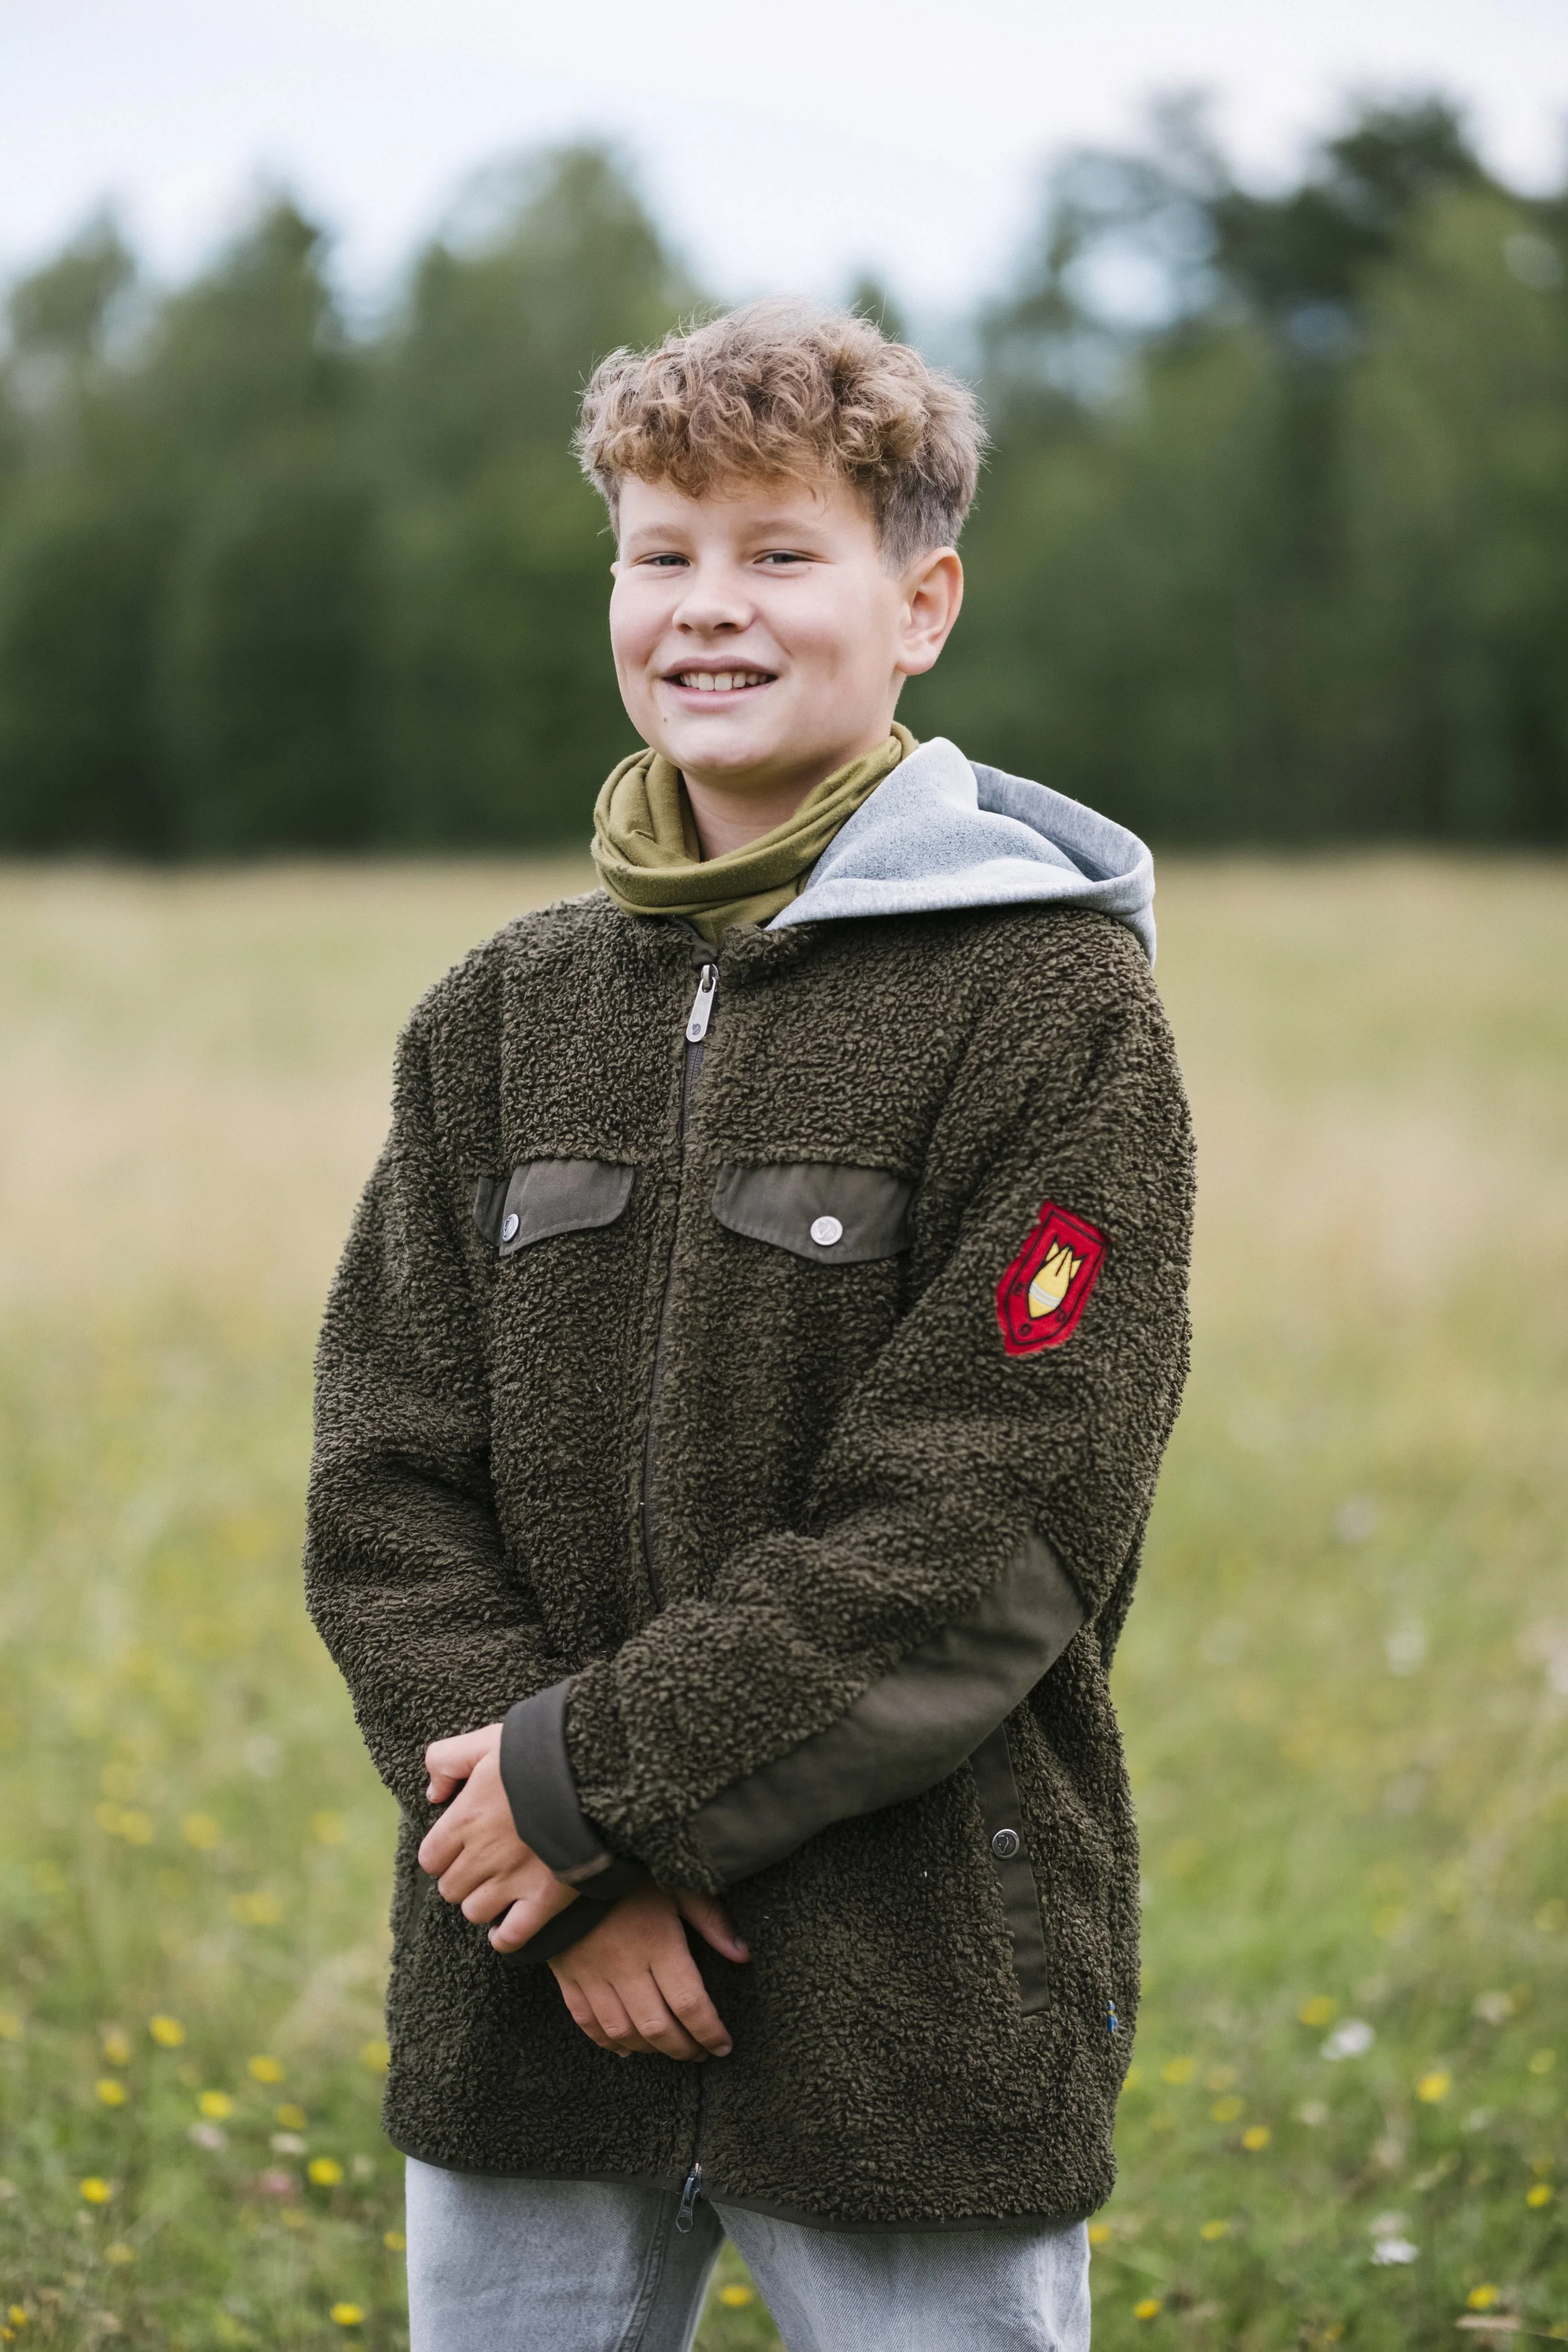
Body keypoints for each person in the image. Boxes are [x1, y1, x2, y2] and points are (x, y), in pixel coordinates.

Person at [305, 300, 1193, 2352]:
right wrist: (552, 1869)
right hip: (526, 1983)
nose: (708, 605)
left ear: (920, 604)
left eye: (780, 550)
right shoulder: (497, 1015)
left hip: (911, 1981)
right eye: (660, 551)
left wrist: (587, 1789)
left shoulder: (1052, 1007)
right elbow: (385, 1487)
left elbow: (989, 1523)